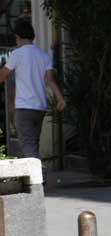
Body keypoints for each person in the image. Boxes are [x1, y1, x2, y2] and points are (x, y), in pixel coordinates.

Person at [0, 19, 66, 160]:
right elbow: (50, 80)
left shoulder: (17, 54)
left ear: (18, 37)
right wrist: (60, 98)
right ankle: (34, 178)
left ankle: (39, 178)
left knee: (28, 148)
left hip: (24, 109)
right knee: (33, 145)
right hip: (40, 108)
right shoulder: (44, 55)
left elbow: (2, 75)